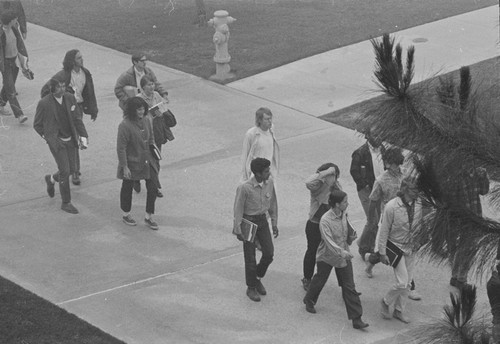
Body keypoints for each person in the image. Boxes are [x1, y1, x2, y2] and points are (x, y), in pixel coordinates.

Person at [303, 190, 369, 330]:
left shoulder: (343, 213)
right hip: (327, 256)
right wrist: (341, 252)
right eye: (345, 202)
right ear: (337, 204)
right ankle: (309, 299)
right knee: (320, 279)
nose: (347, 204)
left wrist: (351, 235)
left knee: (349, 286)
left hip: (343, 255)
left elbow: (347, 226)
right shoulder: (325, 220)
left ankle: (356, 318)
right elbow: (328, 241)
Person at [41, 49, 98, 186]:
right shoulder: (63, 75)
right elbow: (45, 91)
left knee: (76, 137)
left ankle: (73, 170)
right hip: (65, 109)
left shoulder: (85, 73)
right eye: (79, 58)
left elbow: (90, 91)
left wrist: (93, 109)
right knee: (73, 137)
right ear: (72, 61)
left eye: (81, 57)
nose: (82, 60)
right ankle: (74, 171)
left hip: (78, 107)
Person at [33, 79, 88, 214]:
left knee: (72, 169)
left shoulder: (70, 98)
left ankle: (51, 179)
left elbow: (77, 119)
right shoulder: (44, 103)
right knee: (64, 170)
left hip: (71, 139)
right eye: (58, 87)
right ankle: (66, 202)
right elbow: (37, 124)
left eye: (63, 86)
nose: (62, 89)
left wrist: (83, 136)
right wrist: (48, 137)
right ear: (52, 89)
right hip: (57, 142)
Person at [233, 158, 278, 302]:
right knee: (250, 257)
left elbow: (273, 203)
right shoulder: (245, 188)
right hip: (249, 223)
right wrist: (237, 228)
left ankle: (257, 277)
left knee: (269, 253)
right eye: (266, 171)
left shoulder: (269, 183)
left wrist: (274, 222)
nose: (269, 173)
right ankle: (251, 287)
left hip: (262, 222)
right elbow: (238, 208)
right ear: (257, 173)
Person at [378, 176, 422, 324]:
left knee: (408, 283)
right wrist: (382, 252)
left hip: (411, 247)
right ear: (404, 190)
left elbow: (419, 223)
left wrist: (419, 240)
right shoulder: (391, 207)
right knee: (402, 282)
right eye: (413, 190)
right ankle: (386, 301)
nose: (416, 193)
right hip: (396, 247)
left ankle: (399, 310)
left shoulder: (419, 204)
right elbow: (383, 231)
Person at [117, 97, 160, 230]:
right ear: (131, 110)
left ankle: (149, 216)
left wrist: (155, 152)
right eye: (138, 109)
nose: (141, 112)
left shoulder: (147, 120)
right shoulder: (124, 125)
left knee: (153, 187)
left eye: (143, 109)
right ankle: (126, 214)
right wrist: (124, 167)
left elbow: (151, 138)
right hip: (132, 162)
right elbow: (121, 148)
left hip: (147, 161)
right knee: (127, 188)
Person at [446, 165, 489, 290]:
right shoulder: (457, 175)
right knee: (466, 248)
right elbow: (451, 200)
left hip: (474, 217)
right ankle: (460, 279)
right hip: (462, 219)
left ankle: (456, 277)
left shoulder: (476, 174)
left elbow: (484, 190)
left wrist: (484, 177)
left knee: (467, 248)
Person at [301, 162, 341, 291]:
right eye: (332, 175)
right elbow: (308, 182)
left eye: (335, 175)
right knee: (312, 252)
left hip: (331, 226)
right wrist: (326, 172)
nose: (334, 178)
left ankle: (345, 285)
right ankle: (307, 278)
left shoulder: (337, 188)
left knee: (337, 254)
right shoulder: (317, 186)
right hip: (315, 225)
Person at [351, 129, 384, 258]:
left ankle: (366, 244)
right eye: (375, 134)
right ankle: (364, 248)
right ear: (368, 136)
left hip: (379, 189)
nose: (378, 137)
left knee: (374, 221)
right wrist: (364, 185)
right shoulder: (360, 153)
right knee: (373, 220)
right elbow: (354, 171)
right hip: (367, 191)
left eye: (380, 134)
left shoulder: (382, 149)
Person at [138, 74, 173, 198]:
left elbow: (163, 109)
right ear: (142, 87)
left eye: (153, 84)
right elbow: (138, 116)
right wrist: (151, 114)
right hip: (143, 133)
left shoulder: (157, 96)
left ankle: (155, 186)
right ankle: (136, 179)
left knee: (156, 160)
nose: (152, 86)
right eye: (148, 84)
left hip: (156, 132)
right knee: (142, 159)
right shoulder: (138, 99)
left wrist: (159, 112)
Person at [0, 10, 28, 122]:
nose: (17, 21)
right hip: (6, 63)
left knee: (8, 86)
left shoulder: (14, 29)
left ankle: (0, 104)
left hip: (14, 62)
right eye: (15, 19)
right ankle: (20, 115)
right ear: (10, 21)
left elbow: (20, 45)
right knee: (11, 90)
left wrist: (24, 63)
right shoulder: (1, 33)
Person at [241, 107, 279, 183]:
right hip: (256, 175)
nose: (270, 121)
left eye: (271, 118)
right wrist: (245, 178)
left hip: (268, 173)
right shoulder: (251, 134)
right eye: (267, 119)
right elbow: (245, 156)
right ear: (259, 120)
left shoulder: (271, 129)